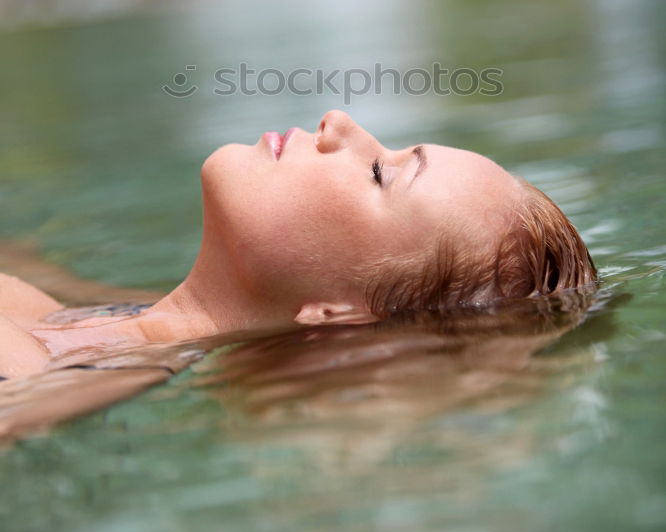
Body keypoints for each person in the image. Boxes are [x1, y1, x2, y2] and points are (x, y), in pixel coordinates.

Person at [0, 109, 597, 381]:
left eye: (379, 173)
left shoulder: (30, 377)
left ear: (340, 313)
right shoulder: (93, 321)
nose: (339, 124)